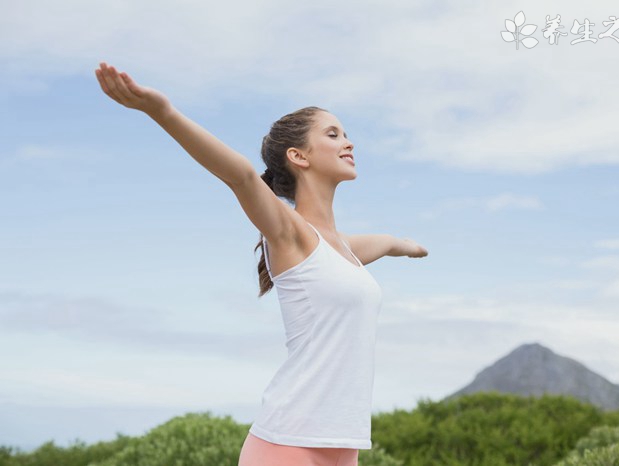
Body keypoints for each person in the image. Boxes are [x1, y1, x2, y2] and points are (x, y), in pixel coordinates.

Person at [95, 61, 428, 466]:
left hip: (343, 447)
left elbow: (381, 242)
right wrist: (162, 112)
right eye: (333, 134)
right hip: (288, 445)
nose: (349, 142)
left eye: (347, 133)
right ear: (298, 156)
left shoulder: (341, 248)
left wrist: (405, 246)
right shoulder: (289, 233)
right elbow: (241, 177)